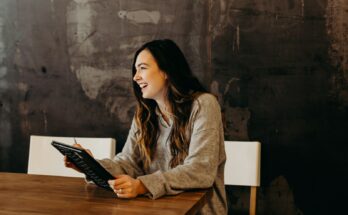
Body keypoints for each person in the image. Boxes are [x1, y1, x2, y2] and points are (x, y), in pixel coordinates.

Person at [65, 39, 227, 214]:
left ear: (166, 71)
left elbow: (200, 170)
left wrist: (142, 185)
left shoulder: (203, 105)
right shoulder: (145, 114)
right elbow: (128, 163)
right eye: (135, 70)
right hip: (156, 210)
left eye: (142, 68)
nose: (135, 77)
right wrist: (91, 166)